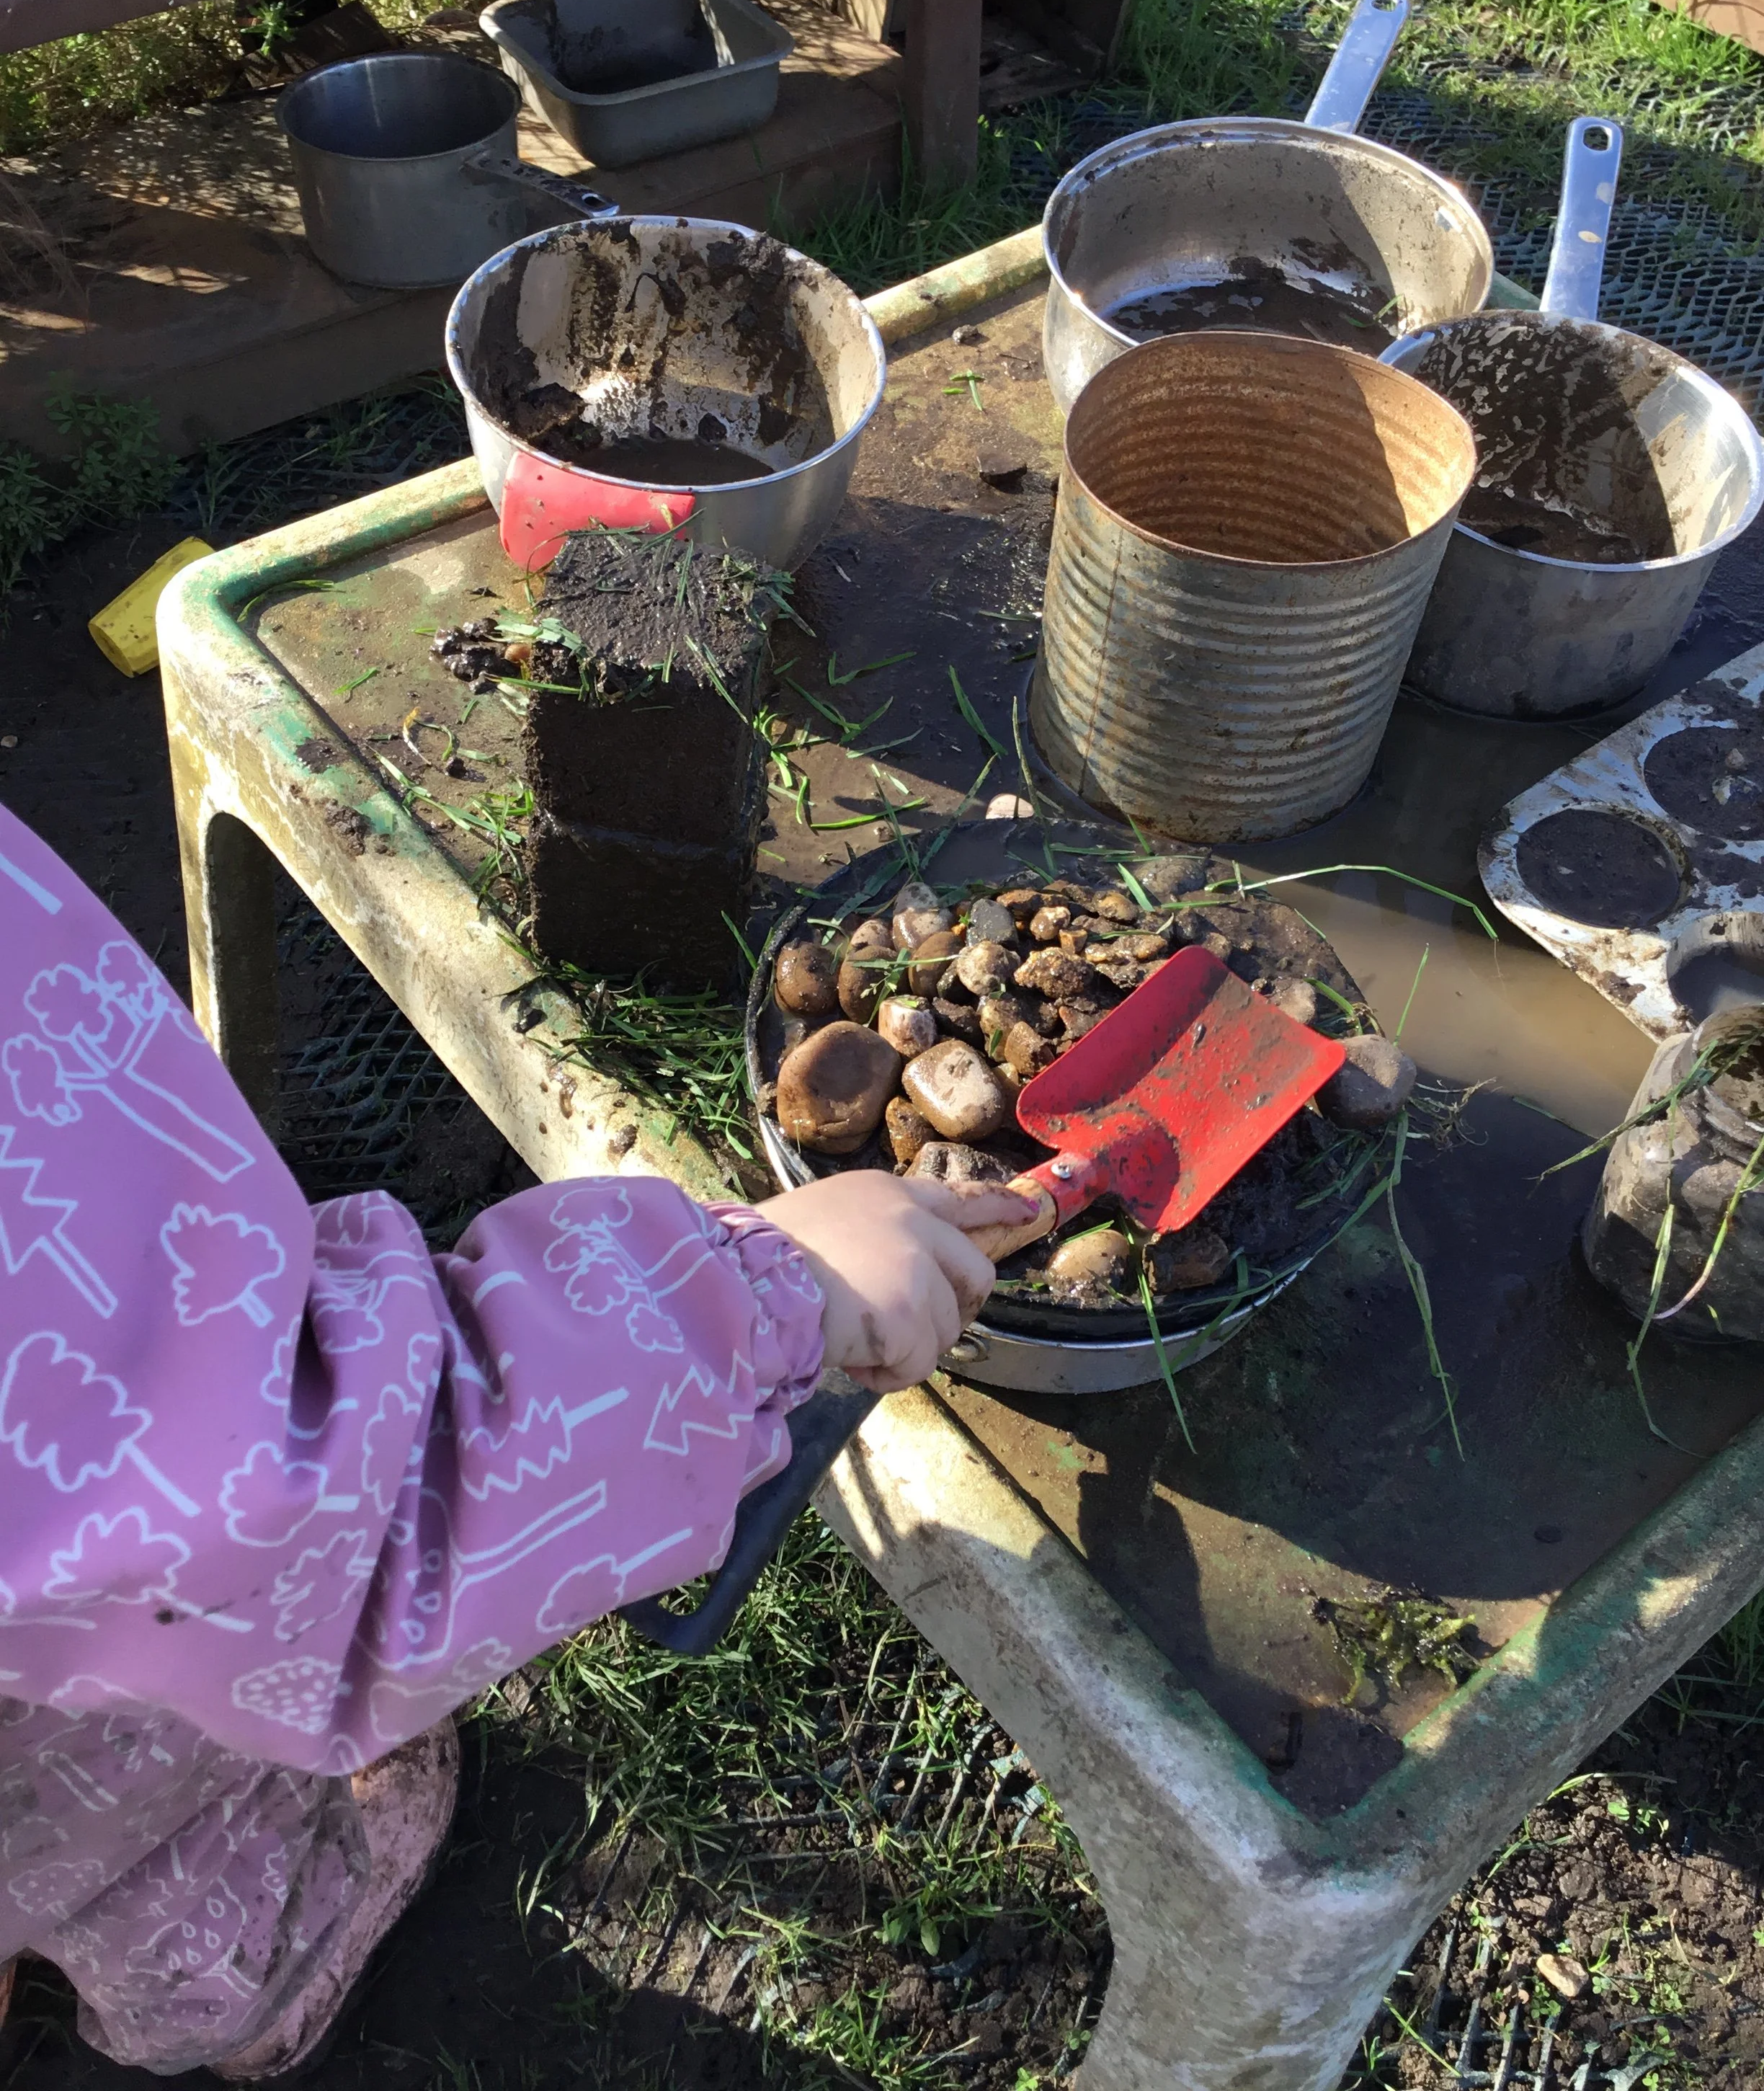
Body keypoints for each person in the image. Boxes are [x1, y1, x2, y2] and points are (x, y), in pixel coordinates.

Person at [0, 800, 1032, 2077]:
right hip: (81, 1714)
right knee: (138, 1824)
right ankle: (255, 1972)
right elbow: (277, 1524)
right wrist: (769, 1293)